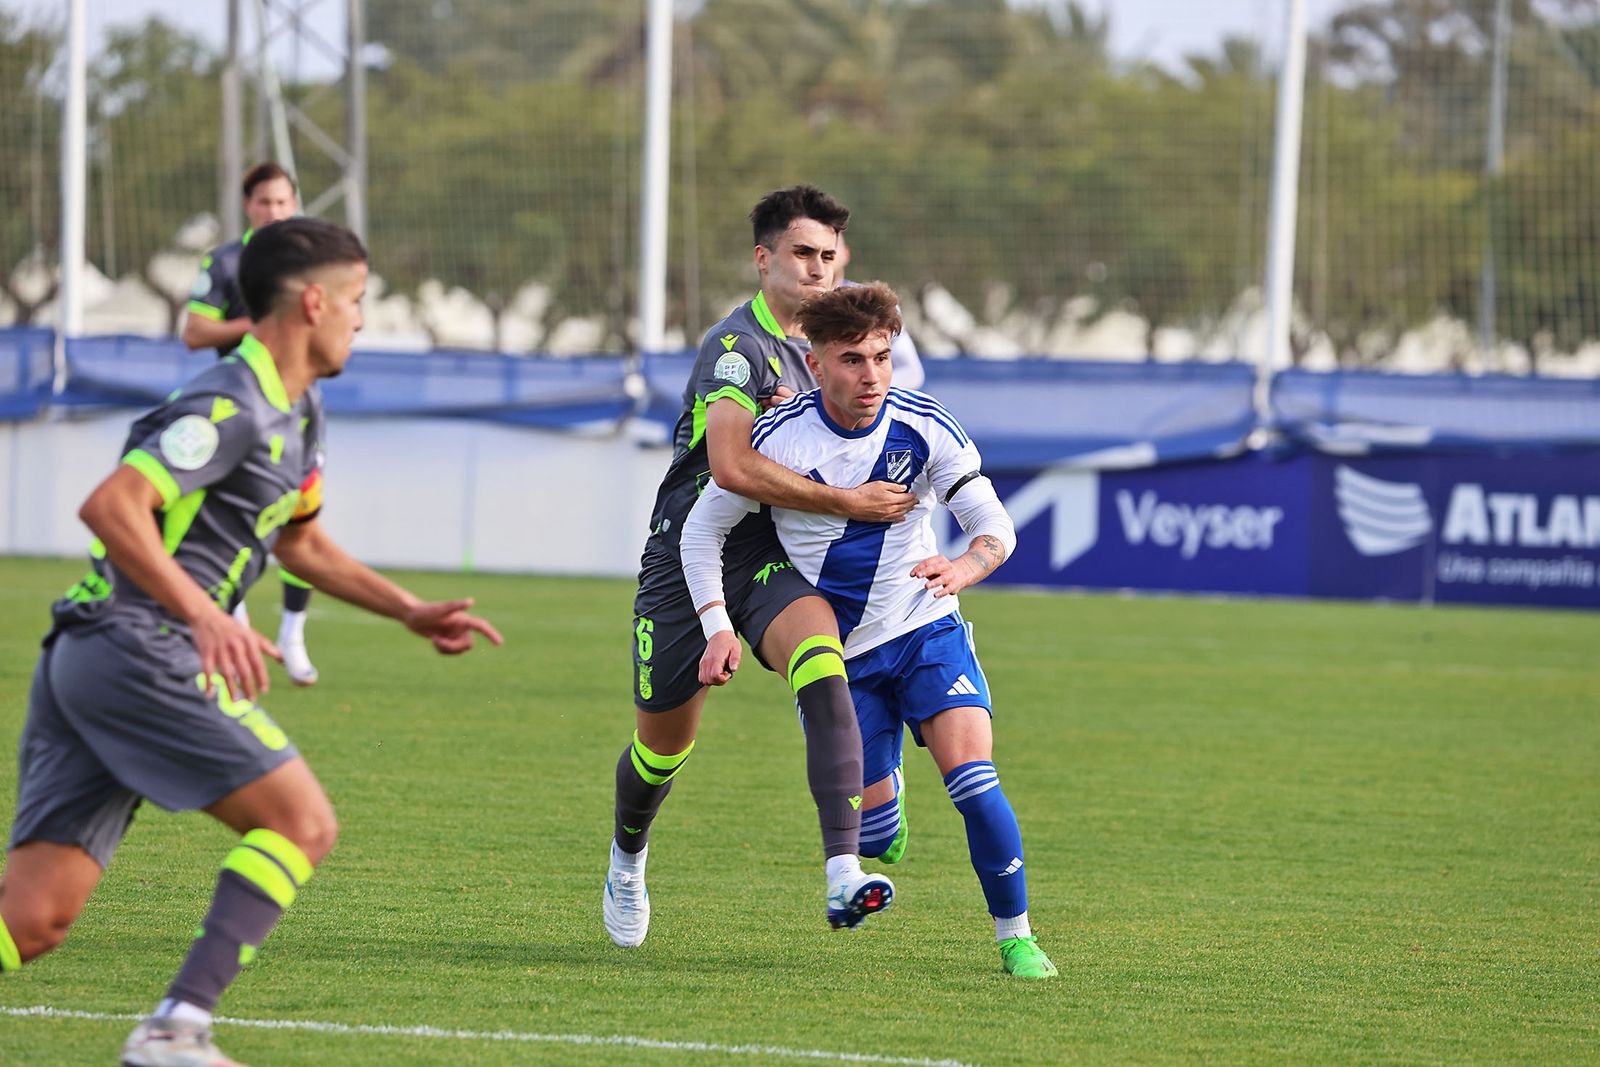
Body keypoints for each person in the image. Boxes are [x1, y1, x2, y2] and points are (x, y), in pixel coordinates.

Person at [0, 218, 504, 1067]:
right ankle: (175, 1028)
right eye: (356, 302)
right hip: (136, 644)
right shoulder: (226, 404)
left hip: (100, 656)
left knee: (33, 921)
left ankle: (173, 1029)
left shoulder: (298, 410)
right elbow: (112, 506)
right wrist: (203, 611)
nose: (360, 321)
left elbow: (299, 541)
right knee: (302, 820)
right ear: (313, 301)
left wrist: (406, 609)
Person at [679, 283, 1057, 979]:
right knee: (880, 837)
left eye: (882, 356)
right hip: (843, 659)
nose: (871, 374)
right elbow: (702, 531)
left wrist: (965, 567)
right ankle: (887, 803)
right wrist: (715, 625)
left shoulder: (924, 423)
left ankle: (1016, 936)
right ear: (815, 362)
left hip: (925, 630)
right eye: (852, 359)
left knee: (975, 781)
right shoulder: (776, 438)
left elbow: (993, 524)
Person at [605, 185, 917, 947]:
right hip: (694, 551)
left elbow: (898, 437)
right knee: (661, 750)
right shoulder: (736, 348)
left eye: (830, 254)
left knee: (824, 665)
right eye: (804, 253)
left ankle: (844, 869)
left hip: (776, 553)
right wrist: (845, 499)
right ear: (765, 258)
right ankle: (627, 856)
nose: (819, 268)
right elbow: (732, 466)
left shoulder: (849, 343)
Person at [183, 161, 322, 687]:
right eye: (265, 202)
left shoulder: (312, 261)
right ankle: (230, 617)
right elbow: (196, 332)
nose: (276, 212)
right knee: (237, 515)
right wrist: (261, 324)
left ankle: (293, 632)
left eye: (284, 202)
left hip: (301, 407)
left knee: (302, 516)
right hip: (238, 407)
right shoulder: (225, 260)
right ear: (249, 206)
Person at [832, 232, 925, 390]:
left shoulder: (873, 303)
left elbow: (911, 372)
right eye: (806, 252)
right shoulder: (788, 302)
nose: (819, 262)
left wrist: (863, 392)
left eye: (829, 251)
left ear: (845, 254)